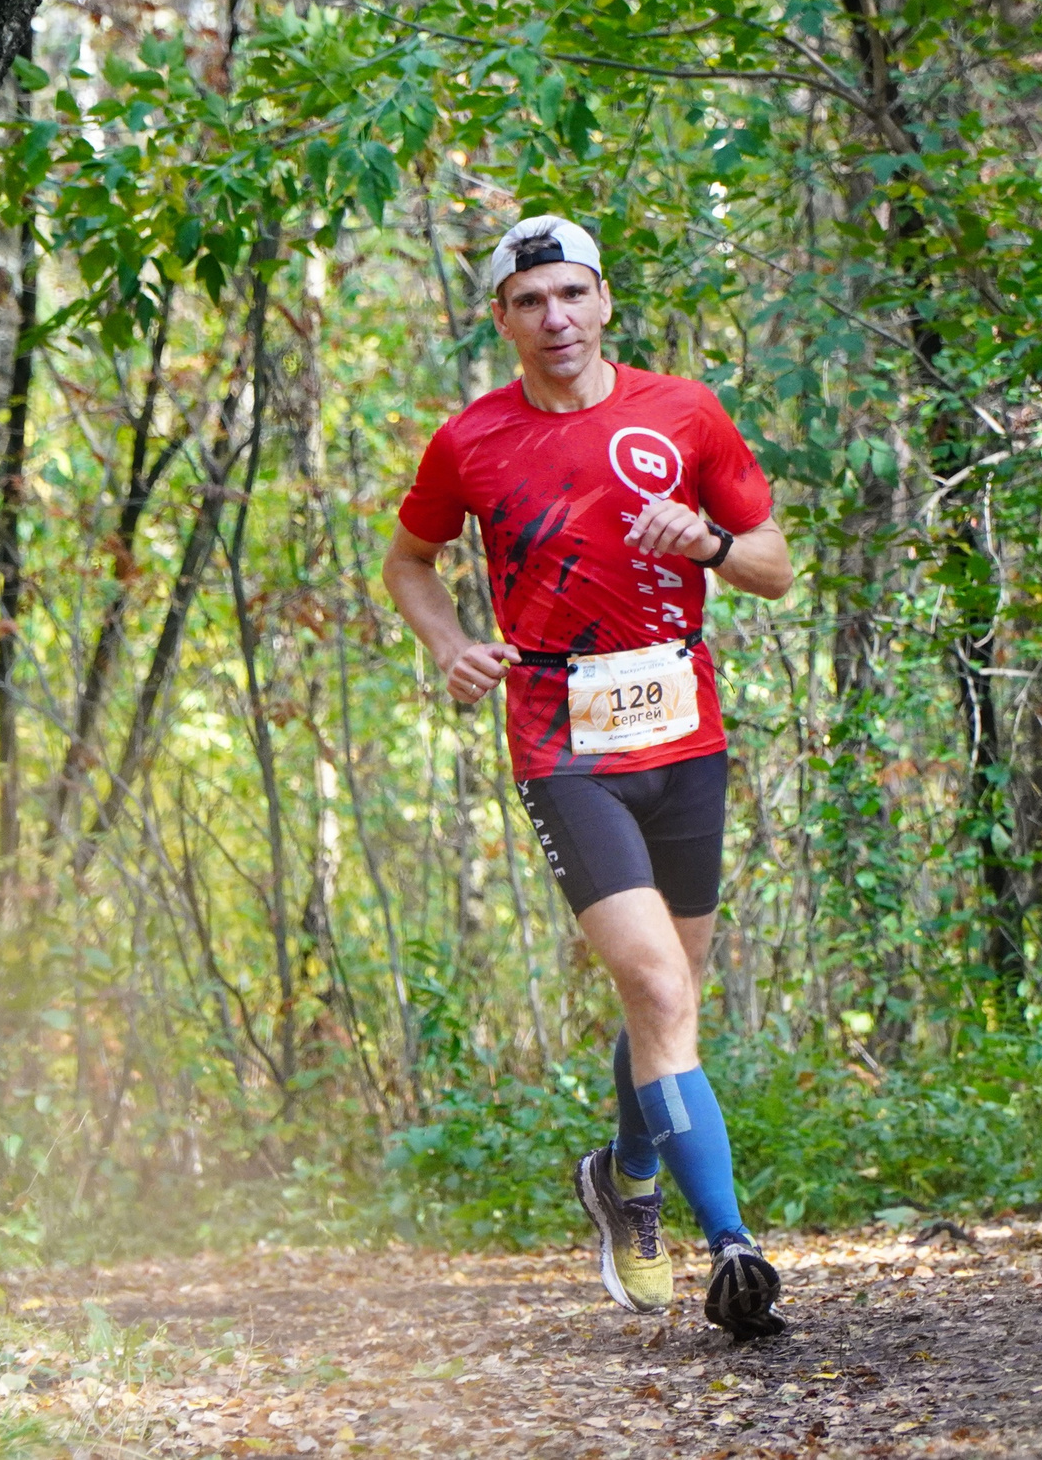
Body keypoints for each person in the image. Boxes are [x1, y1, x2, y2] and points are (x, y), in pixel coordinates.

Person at [382, 215, 796, 1337]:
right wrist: (448, 644)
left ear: (604, 300)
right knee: (657, 989)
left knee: (672, 994)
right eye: (529, 301)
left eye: (571, 294)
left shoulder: (684, 411)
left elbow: (773, 567)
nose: (553, 319)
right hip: (561, 739)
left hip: (683, 728)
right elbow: (408, 563)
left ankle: (624, 1173)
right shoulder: (470, 441)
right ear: (501, 319)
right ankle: (733, 1249)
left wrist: (706, 543)